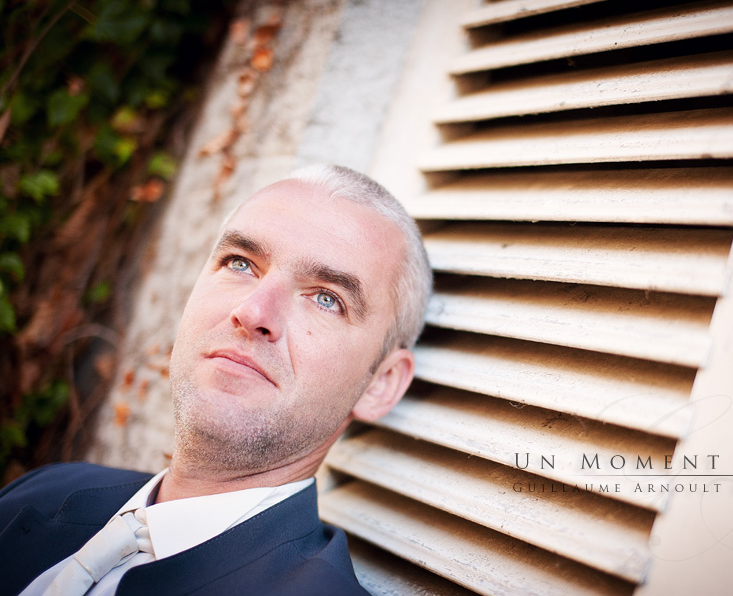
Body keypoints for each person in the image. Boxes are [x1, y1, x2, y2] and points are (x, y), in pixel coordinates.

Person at [0, 164, 432, 595]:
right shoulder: (44, 489)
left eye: (326, 298)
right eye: (240, 263)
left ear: (380, 383)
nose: (253, 311)